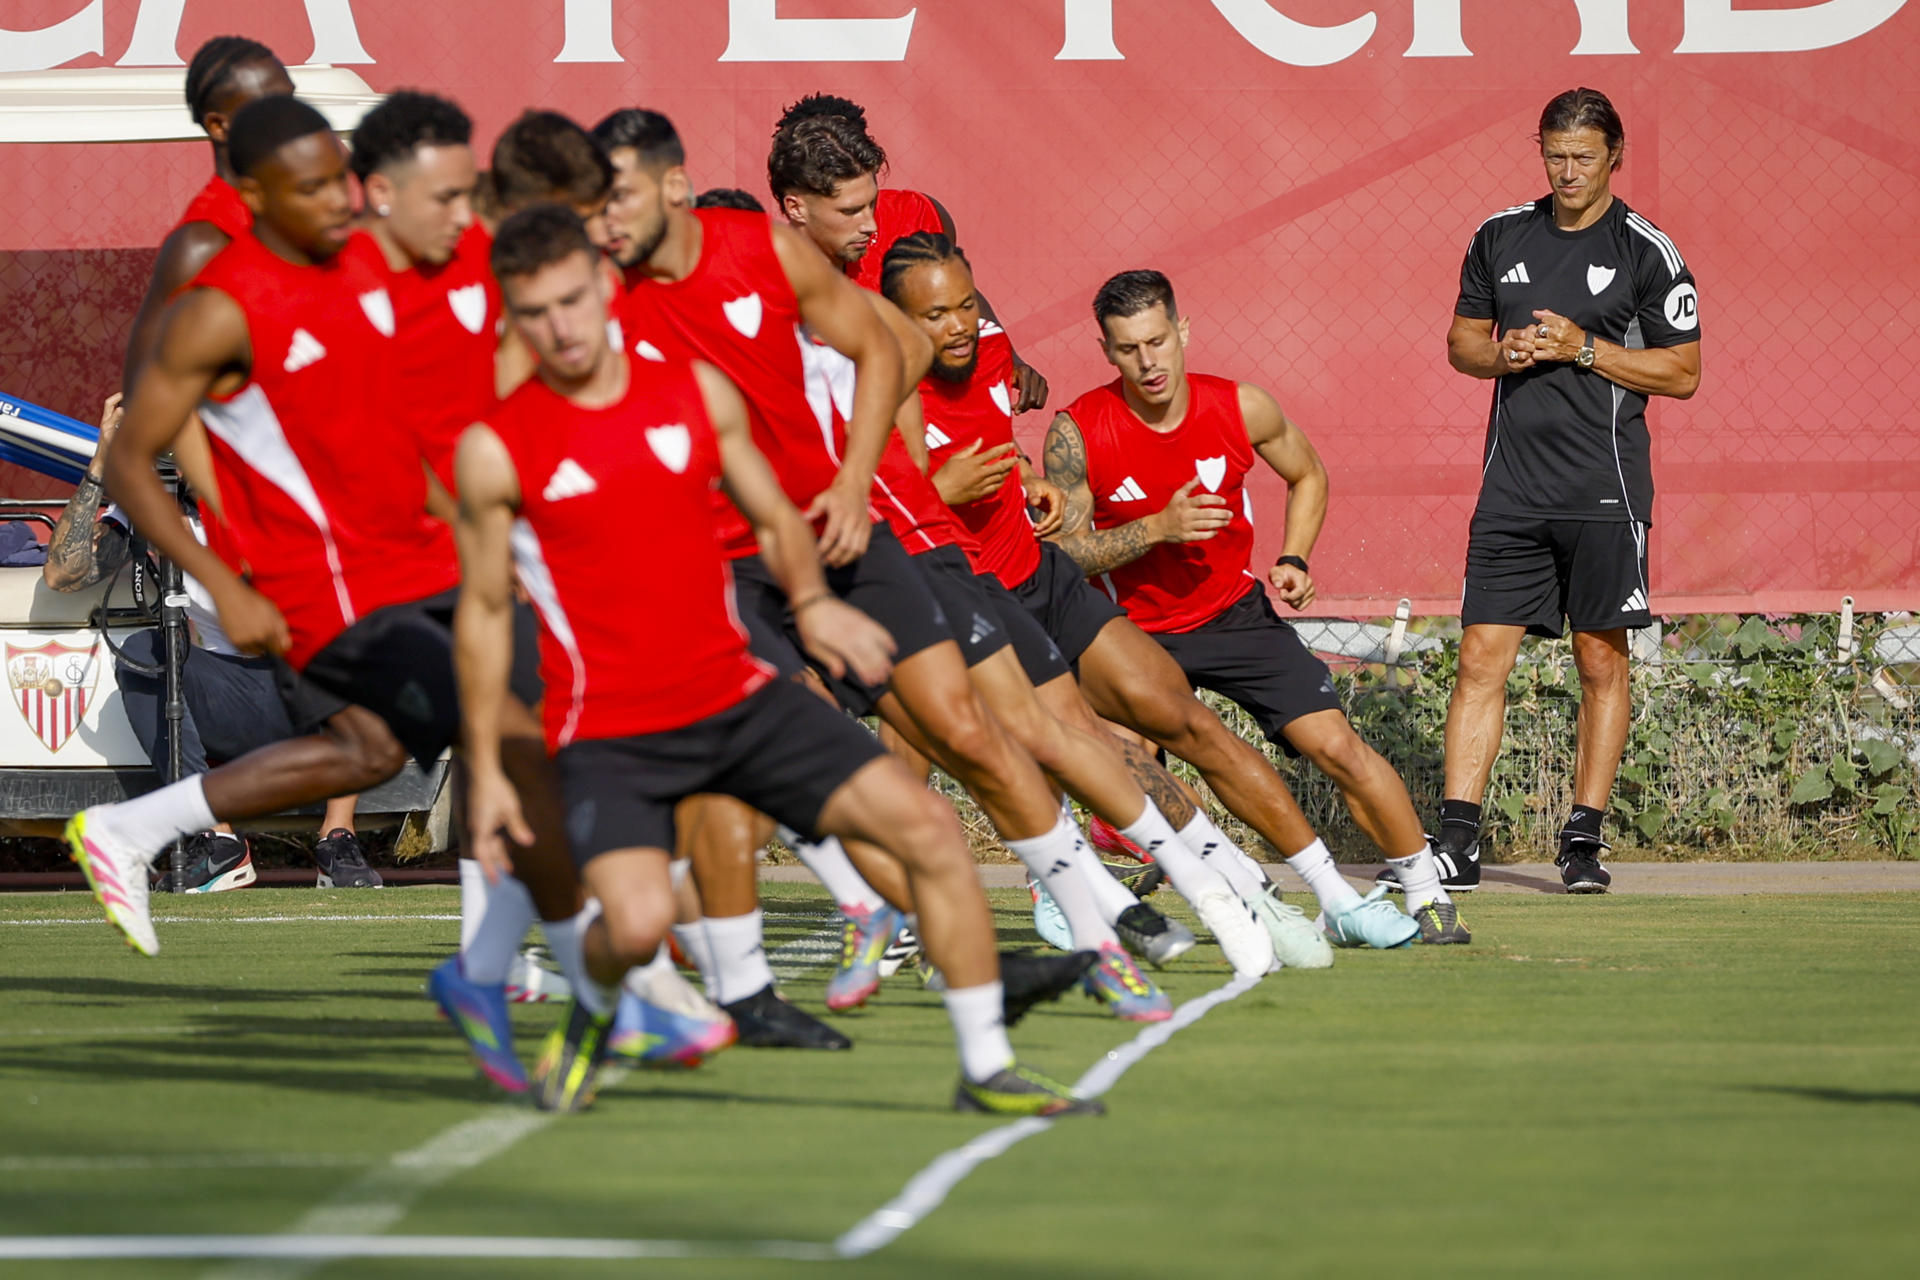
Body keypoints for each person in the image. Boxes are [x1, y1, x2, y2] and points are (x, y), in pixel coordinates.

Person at [602, 109, 1278, 1012]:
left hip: (907, 543)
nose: (870, 222)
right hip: (773, 556)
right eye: (850, 209)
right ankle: (800, 944)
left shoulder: (833, 281)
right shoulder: (656, 294)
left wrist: (866, 465)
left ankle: (1182, 900)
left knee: (1013, 736)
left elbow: (909, 350)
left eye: (871, 202)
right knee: (782, 743)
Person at [454, 203, 1099, 1117]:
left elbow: (777, 514)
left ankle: (987, 1069)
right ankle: (595, 1009)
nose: (559, 327)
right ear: (513, 319)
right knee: (634, 924)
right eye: (534, 312)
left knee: (930, 831)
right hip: (614, 724)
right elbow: (483, 615)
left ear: (603, 290)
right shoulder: (494, 450)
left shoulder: (696, 397)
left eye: (571, 301)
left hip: (736, 691)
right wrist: (488, 768)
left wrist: (813, 610)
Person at [68, 98, 599, 1101]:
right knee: (506, 735)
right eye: (312, 187)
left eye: (336, 182)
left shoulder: (378, 275)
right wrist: (223, 566)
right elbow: (140, 444)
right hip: (323, 587)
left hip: (417, 562)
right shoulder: (225, 296)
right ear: (253, 191)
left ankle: (134, 832)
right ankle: (579, 977)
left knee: (383, 748)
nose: (334, 201)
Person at [886, 235, 1420, 950]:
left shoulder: (989, 349)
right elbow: (873, 502)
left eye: (964, 306)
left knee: (1194, 726)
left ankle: (1336, 894)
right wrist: (946, 492)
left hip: (1071, 585)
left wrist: (1025, 482)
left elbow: (997, 448)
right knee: (1074, 742)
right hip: (977, 591)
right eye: (933, 315)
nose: (957, 325)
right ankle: (1116, 883)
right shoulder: (887, 390)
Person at [1043, 268, 1469, 945]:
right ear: (1106, 350)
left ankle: (1425, 891)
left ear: (1182, 332)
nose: (1147, 362)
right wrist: (1157, 528)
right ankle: (1230, 880)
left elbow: (1307, 474)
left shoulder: (1241, 407)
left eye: (1157, 340)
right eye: (1128, 349)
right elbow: (1062, 558)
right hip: (1131, 635)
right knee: (1123, 768)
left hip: (1234, 615)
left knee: (1336, 747)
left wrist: (1296, 556)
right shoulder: (1080, 430)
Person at [1429, 87, 1701, 895]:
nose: (1569, 170)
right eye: (1555, 154)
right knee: (1480, 655)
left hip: (1606, 490)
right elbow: (1460, 343)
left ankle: (1582, 841)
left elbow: (1682, 372)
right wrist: (1503, 354)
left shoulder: (1647, 249)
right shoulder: (1499, 235)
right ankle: (1457, 841)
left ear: (1616, 156)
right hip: (1511, 489)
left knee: (1598, 660)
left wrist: (1586, 349)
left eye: (1584, 156)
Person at [44, 393, 375, 891]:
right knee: (141, 653)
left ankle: (338, 838)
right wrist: (102, 462)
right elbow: (63, 575)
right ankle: (218, 843)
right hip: (228, 698)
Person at [767, 97, 1048, 411]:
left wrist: (1008, 357)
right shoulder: (763, 282)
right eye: (850, 210)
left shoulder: (914, 215)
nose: (869, 224)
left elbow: (952, 291)